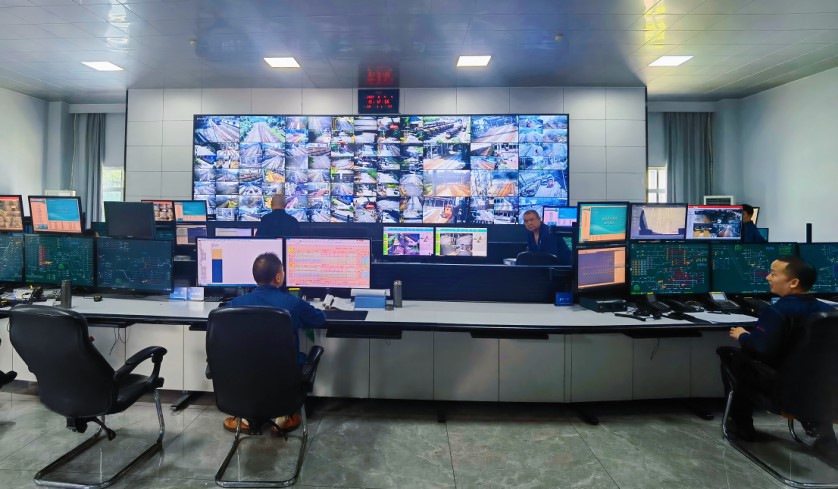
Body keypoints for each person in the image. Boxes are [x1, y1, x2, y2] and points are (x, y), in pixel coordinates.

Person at [719, 256, 834, 445]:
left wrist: (743, 336)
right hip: (824, 392)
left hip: (785, 392)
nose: (768, 277)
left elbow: (760, 350)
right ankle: (823, 432)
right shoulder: (829, 312)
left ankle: (741, 426)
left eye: (773, 274)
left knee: (732, 357)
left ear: (794, 282)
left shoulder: (777, 311)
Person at [222, 252, 326, 434]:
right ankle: (283, 415)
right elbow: (319, 319)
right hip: (284, 374)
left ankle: (245, 417)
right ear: (278, 277)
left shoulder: (235, 304)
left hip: (245, 374)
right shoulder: (292, 303)